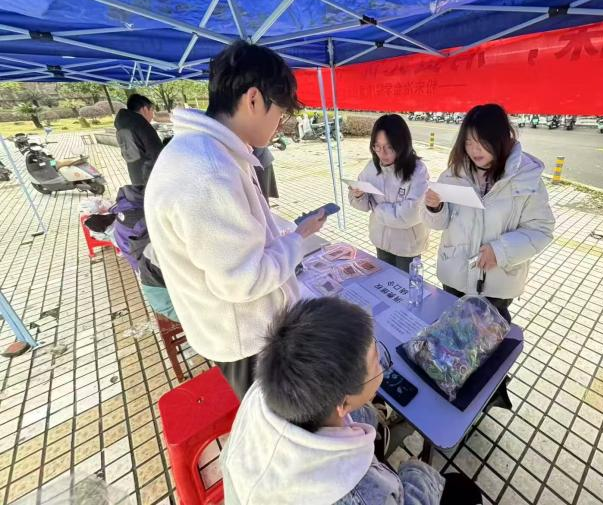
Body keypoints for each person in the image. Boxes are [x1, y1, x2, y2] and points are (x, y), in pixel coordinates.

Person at [144, 41, 326, 399]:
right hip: (248, 341)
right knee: (279, 419)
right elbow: (245, 279)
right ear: (254, 99)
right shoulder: (209, 171)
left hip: (240, 330)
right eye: (281, 113)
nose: (280, 125)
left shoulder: (205, 151)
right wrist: (296, 241)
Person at [221, 297, 450, 505]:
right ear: (343, 404)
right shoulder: (361, 495)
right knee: (458, 486)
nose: (381, 363)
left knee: (368, 416)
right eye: (376, 362)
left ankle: (380, 421)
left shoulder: (262, 393)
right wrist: (417, 471)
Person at [424, 104, 555, 321]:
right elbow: (439, 224)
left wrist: (501, 251)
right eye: (468, 142)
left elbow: (541, 230)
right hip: (454, 276)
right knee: (449, 335)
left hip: (497, 285)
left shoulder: (526, 178)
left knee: (490, 337)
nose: (474, 151)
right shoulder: (453, 174)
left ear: (500, 139)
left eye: (482, 143)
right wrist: (434, 207)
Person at [349, 114, 429, 272]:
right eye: (377, 146)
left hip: (408, 245)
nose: (382, 153)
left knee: (405, 284)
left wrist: (377, 209)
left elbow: (411, 213)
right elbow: (363, 205)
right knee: (385, 280)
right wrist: (358, 196)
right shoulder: (371, 167)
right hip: (381, 240)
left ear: (402, 144)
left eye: (389, 147)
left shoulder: (418, 170)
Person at [114, 94, 163, 186]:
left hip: (135, 175)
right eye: (152, 110)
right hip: (151, 178)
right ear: (145, 109)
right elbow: (158, 154)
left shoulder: (123, 125)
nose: (152, 115)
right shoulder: (141, 124)